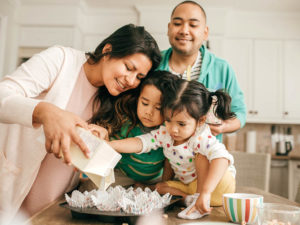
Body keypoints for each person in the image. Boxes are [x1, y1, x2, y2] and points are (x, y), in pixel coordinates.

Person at [0, 24, 161, 223]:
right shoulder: (61, 59)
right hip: (8, 194)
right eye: (129, 68)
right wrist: (46, 112)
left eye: (139, 77)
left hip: (51, 210)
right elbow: (3, 95)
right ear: (107, 50)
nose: (131, 80)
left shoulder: (112, 100)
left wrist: (98, 142)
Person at [109, 79, 236, 219]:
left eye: (181, 124)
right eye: (168, 120)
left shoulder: (200, 136)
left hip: (216, 185)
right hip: (189, 186)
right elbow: (142, 142)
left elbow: (222, 158)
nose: (173, 129)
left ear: (200, 121)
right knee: (160, 188)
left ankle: (198, 200)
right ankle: (188, 200)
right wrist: (112, 145)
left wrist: (205, 192)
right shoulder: (165, 134)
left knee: (202, 155)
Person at [157, 0, 246, 142]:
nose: (184, 30)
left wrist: (223, 126)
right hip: (158, 159)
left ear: (205, 32)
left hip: (204, 159)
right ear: (169, 28)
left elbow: (240, 113)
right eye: (177, 23)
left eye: (193, 25)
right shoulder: (153, 62)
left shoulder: (222, 68)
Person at [109, 71, 180, 186]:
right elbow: (112, 148)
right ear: (138, 99)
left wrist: (164, 185)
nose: (149, 112)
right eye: (145, 103)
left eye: (158, 108)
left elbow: (169, 162)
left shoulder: (169, 132)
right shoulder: (126, 121)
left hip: (154, 179)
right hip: (122, 175)